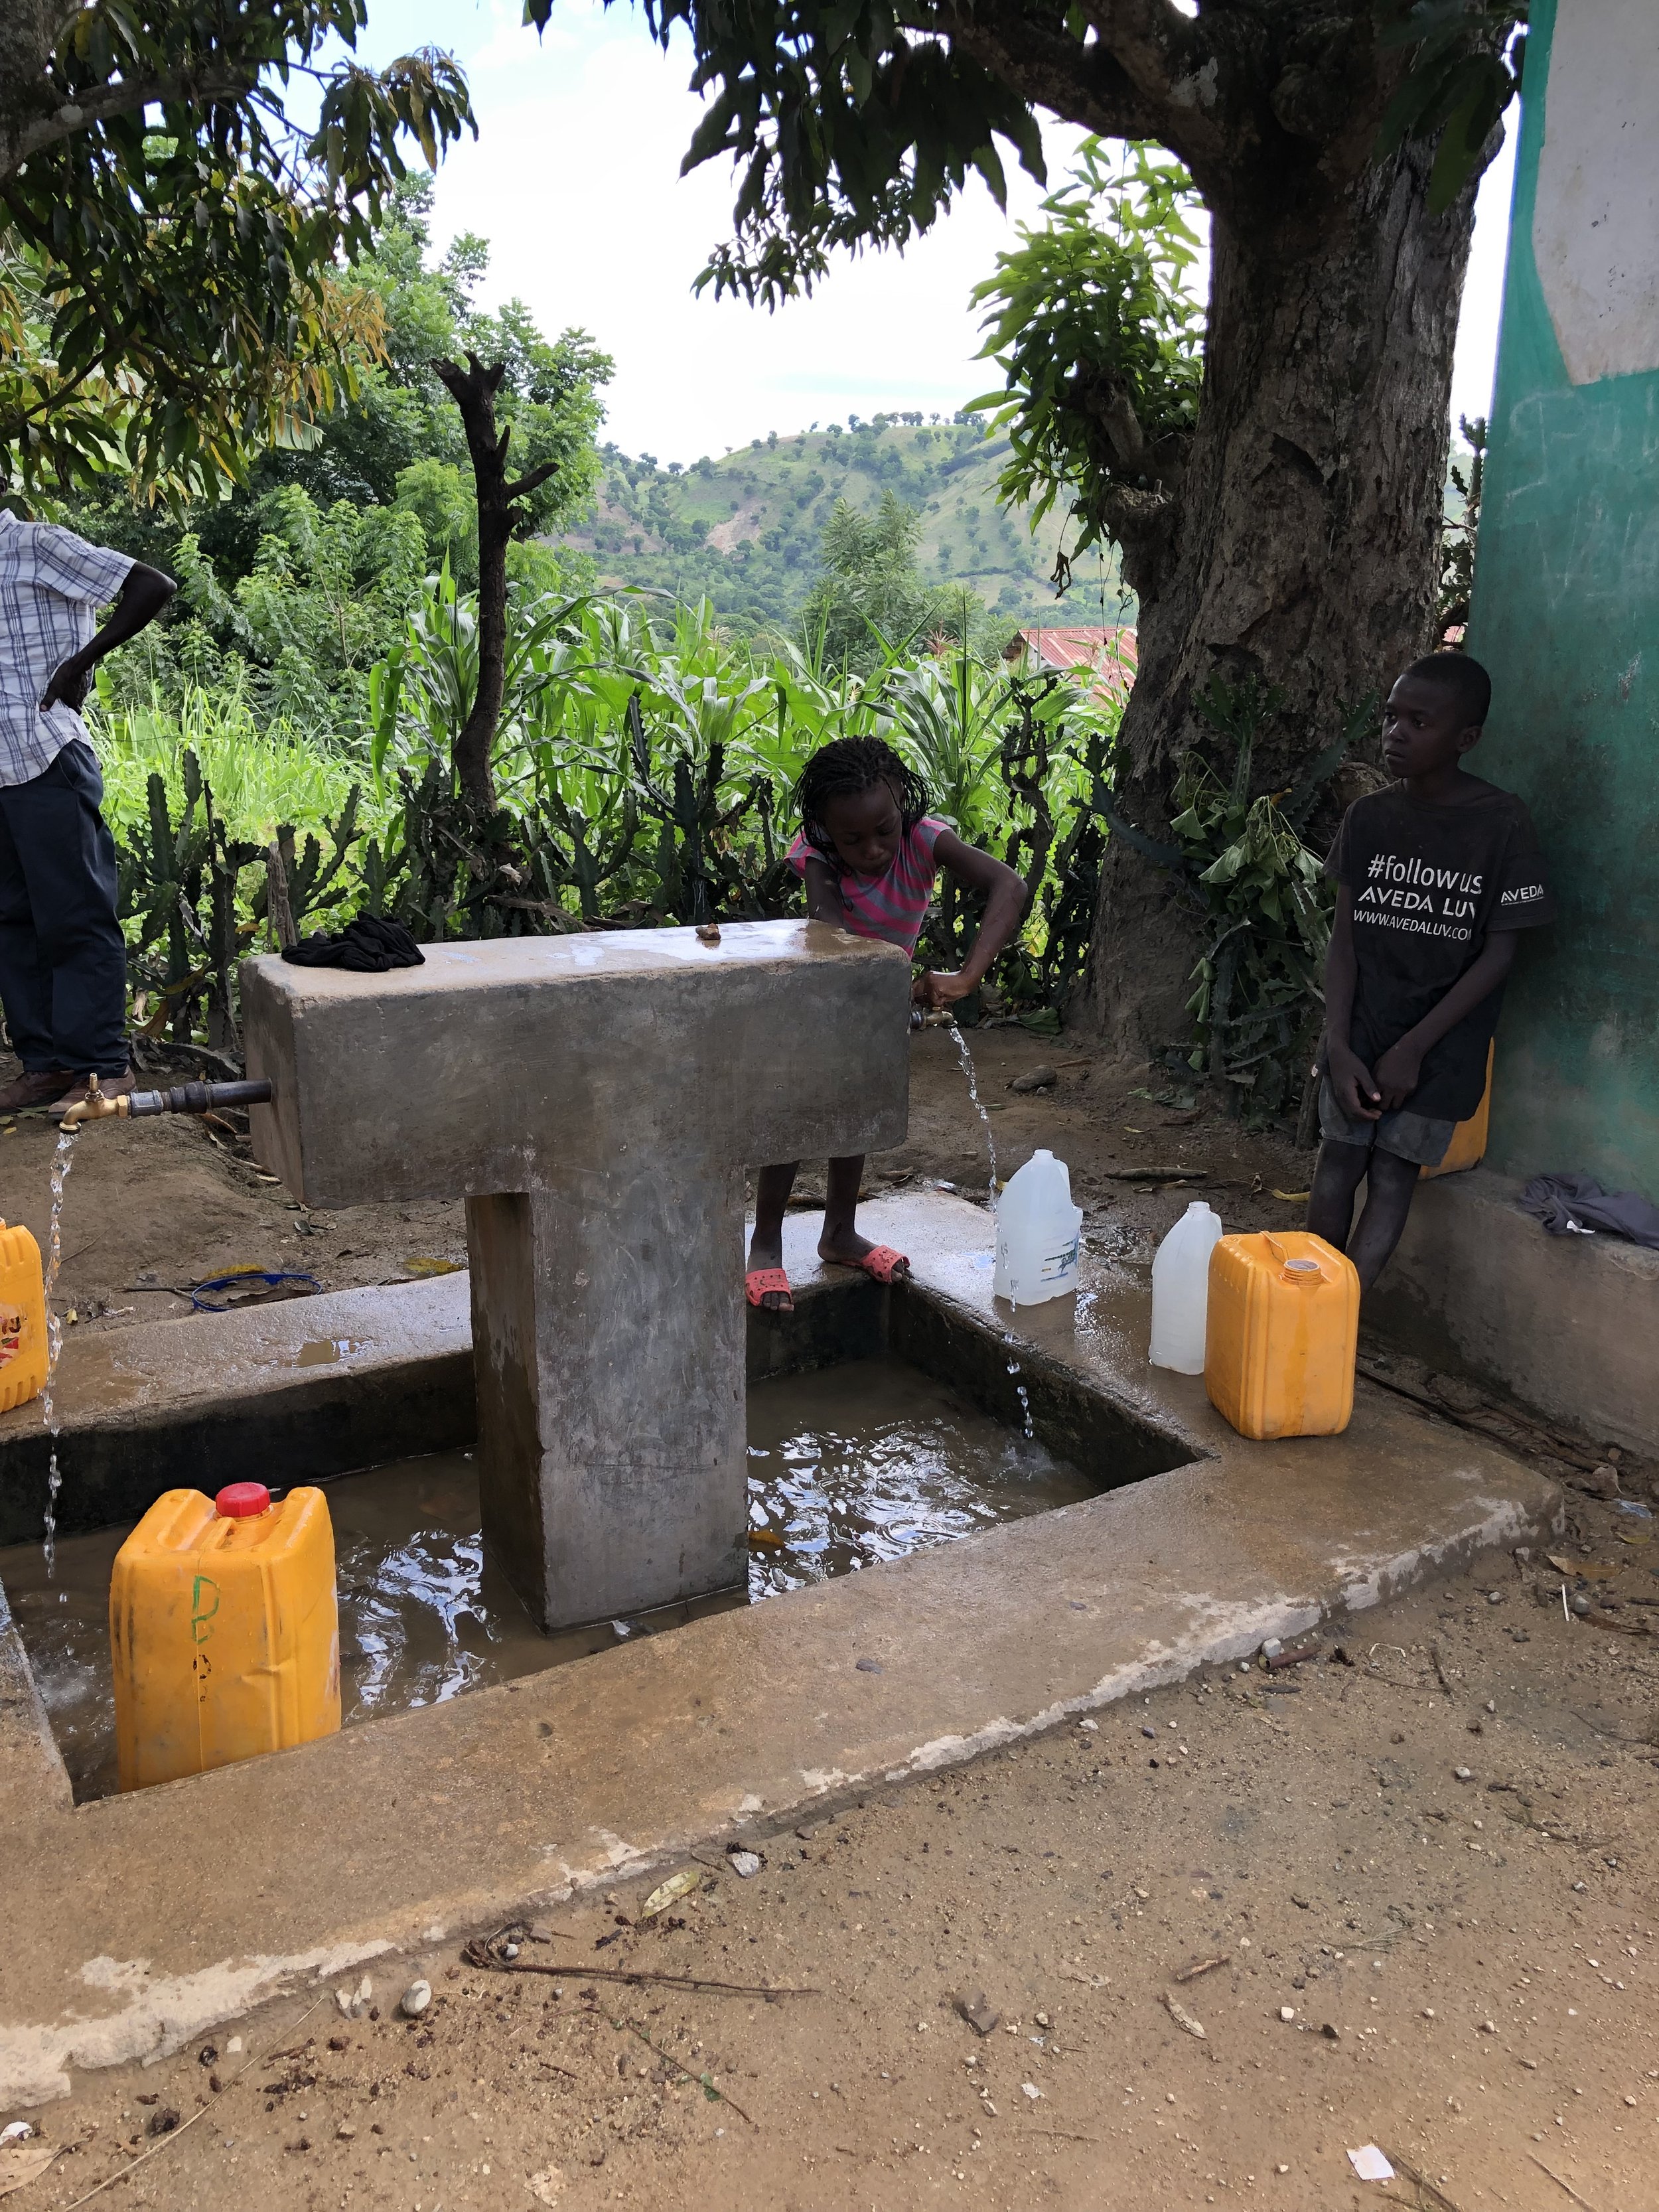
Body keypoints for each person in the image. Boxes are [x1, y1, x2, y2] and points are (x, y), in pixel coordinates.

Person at [745, 735, 1028, 1311]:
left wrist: (966, 976)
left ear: (902, 801)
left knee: (859, 1113)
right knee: (799, 1115)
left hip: (875, 1000)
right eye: (852, 838)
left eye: (883, 830)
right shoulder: (819, 856)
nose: (872, 849)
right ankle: (766, 1241)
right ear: (825, 830)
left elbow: (1010, 885)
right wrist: (888, 990)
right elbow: (831, 927)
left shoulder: (926, 840)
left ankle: (839, 1232)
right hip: (820, 996)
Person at [1306, 651, 1553, 1288]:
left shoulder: (1502, 825)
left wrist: (1414, 1049)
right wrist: (1337, 1043)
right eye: (1391, 717)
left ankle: (1342, 1323)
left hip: (1441, 1050)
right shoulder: (1371, 817)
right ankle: (1305, 1305)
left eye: (1420, 722)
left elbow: (1500, 955)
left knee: (1391, 1176)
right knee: (1336, 1165)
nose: (1395, 733)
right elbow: (1345, 943)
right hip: (1360, 1032)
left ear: (1466, 738)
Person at [0, 514, 175, 1116]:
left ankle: (103, 1068)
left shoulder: (35, 543)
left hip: (47, 756)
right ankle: (45, 1065)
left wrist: (80, 663)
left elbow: (152, 585)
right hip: (1, 771)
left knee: (75, 916)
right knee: (13, 923)